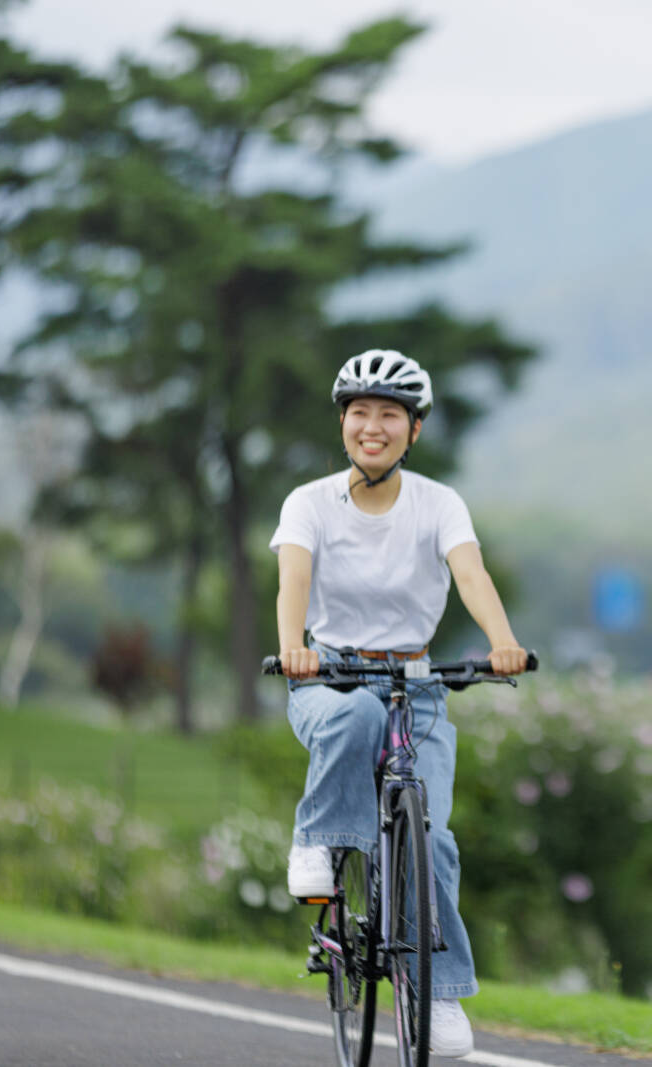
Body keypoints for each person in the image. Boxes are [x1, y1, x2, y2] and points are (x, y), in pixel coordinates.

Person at [270, 349, 528, 1056]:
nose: (373, 426)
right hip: (328, 676)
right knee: (352, 717)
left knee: (433, 843)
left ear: (414, 430)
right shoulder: (309, 503)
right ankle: (317, 838)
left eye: (390, 415)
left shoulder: (438, 503)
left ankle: (436, 993)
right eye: (360, 412)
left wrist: (502, 640)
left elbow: (469, 573)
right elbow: (293, 580)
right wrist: (294, 644)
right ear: (343, 423)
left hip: (415, 685)